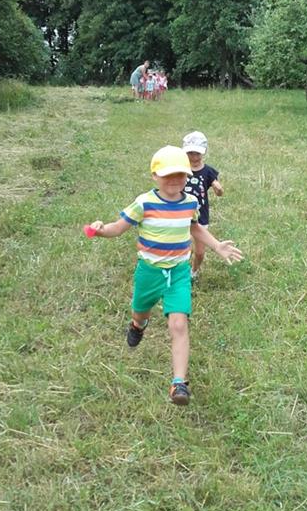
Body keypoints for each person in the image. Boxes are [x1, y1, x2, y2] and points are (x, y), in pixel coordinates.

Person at [88, 145, 242, 406]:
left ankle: (179, 383)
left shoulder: (190, 202)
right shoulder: (144, 203)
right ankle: (138, 325)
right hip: (149, 272)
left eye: (180, 174)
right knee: (140, 312)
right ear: (154, 176)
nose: (174, 180)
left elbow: (195, 228)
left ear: (187, 176)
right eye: (167, 174)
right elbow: (118, 227)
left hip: (179, 273)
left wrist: (216, 246)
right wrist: (101, 230)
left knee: (179, 324)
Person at [182, 131, 223, 280]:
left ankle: (194, 271)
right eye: (190, 153)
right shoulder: (181, 169)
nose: (194, 157)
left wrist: (218, 189)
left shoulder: (208, 171)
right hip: (181, 214)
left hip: (200, 215)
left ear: (203, 152)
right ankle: (180, 272)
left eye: (197, 153)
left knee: (199, 252)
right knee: (184, 248)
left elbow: (219, 190)